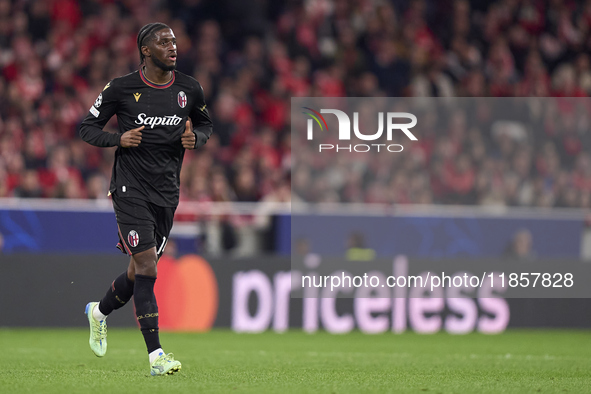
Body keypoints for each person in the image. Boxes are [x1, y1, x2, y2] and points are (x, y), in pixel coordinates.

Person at [79, 22, 213, 376]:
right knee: (149, 269)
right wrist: (118, 140)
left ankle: (98, 312)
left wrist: (195, 139)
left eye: (173, 40)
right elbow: (86, 127)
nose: (172, 46)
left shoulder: (190, 88)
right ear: (146, 50)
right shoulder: (122, 88)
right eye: (163, 41)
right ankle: (156, 356)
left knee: (137, 271)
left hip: (166, 193)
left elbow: (206, 124)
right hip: (129, 188)